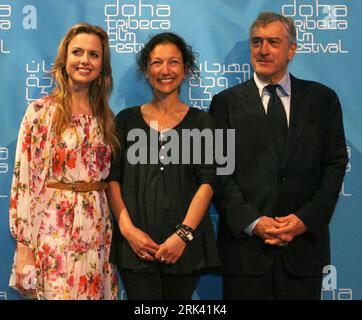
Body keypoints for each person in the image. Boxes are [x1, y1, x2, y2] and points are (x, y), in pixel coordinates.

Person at [209, 12, 348, 300]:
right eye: (257, 42)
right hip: (245, 254)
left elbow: (335, 165)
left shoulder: (323, 100)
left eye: (273, 41)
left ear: (292, 49)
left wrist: (304, 219)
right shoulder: (225, 104)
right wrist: (254, 222)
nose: (263, 49)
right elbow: (218, 172)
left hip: (302, 252)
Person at [9, 23, 119, 300]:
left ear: (102, 65)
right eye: (77, 52)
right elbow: (24, 183)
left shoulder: (105, 117)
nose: (85, 60)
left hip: (97, 231)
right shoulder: (41, 111)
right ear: (65, 58)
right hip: (53, 231)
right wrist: (24, 248)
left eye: (94, 55)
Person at [107, 32, 219, 300]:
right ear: (146, 70)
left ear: (185, 69)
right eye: (157, 63)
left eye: (174, 62)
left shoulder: (205, 122)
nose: (165, 70)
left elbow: (209, 183)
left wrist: (182, 235)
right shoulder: (125, 120)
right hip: (135, 249)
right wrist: (128, 231)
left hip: (185, 249)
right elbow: (112, 179)